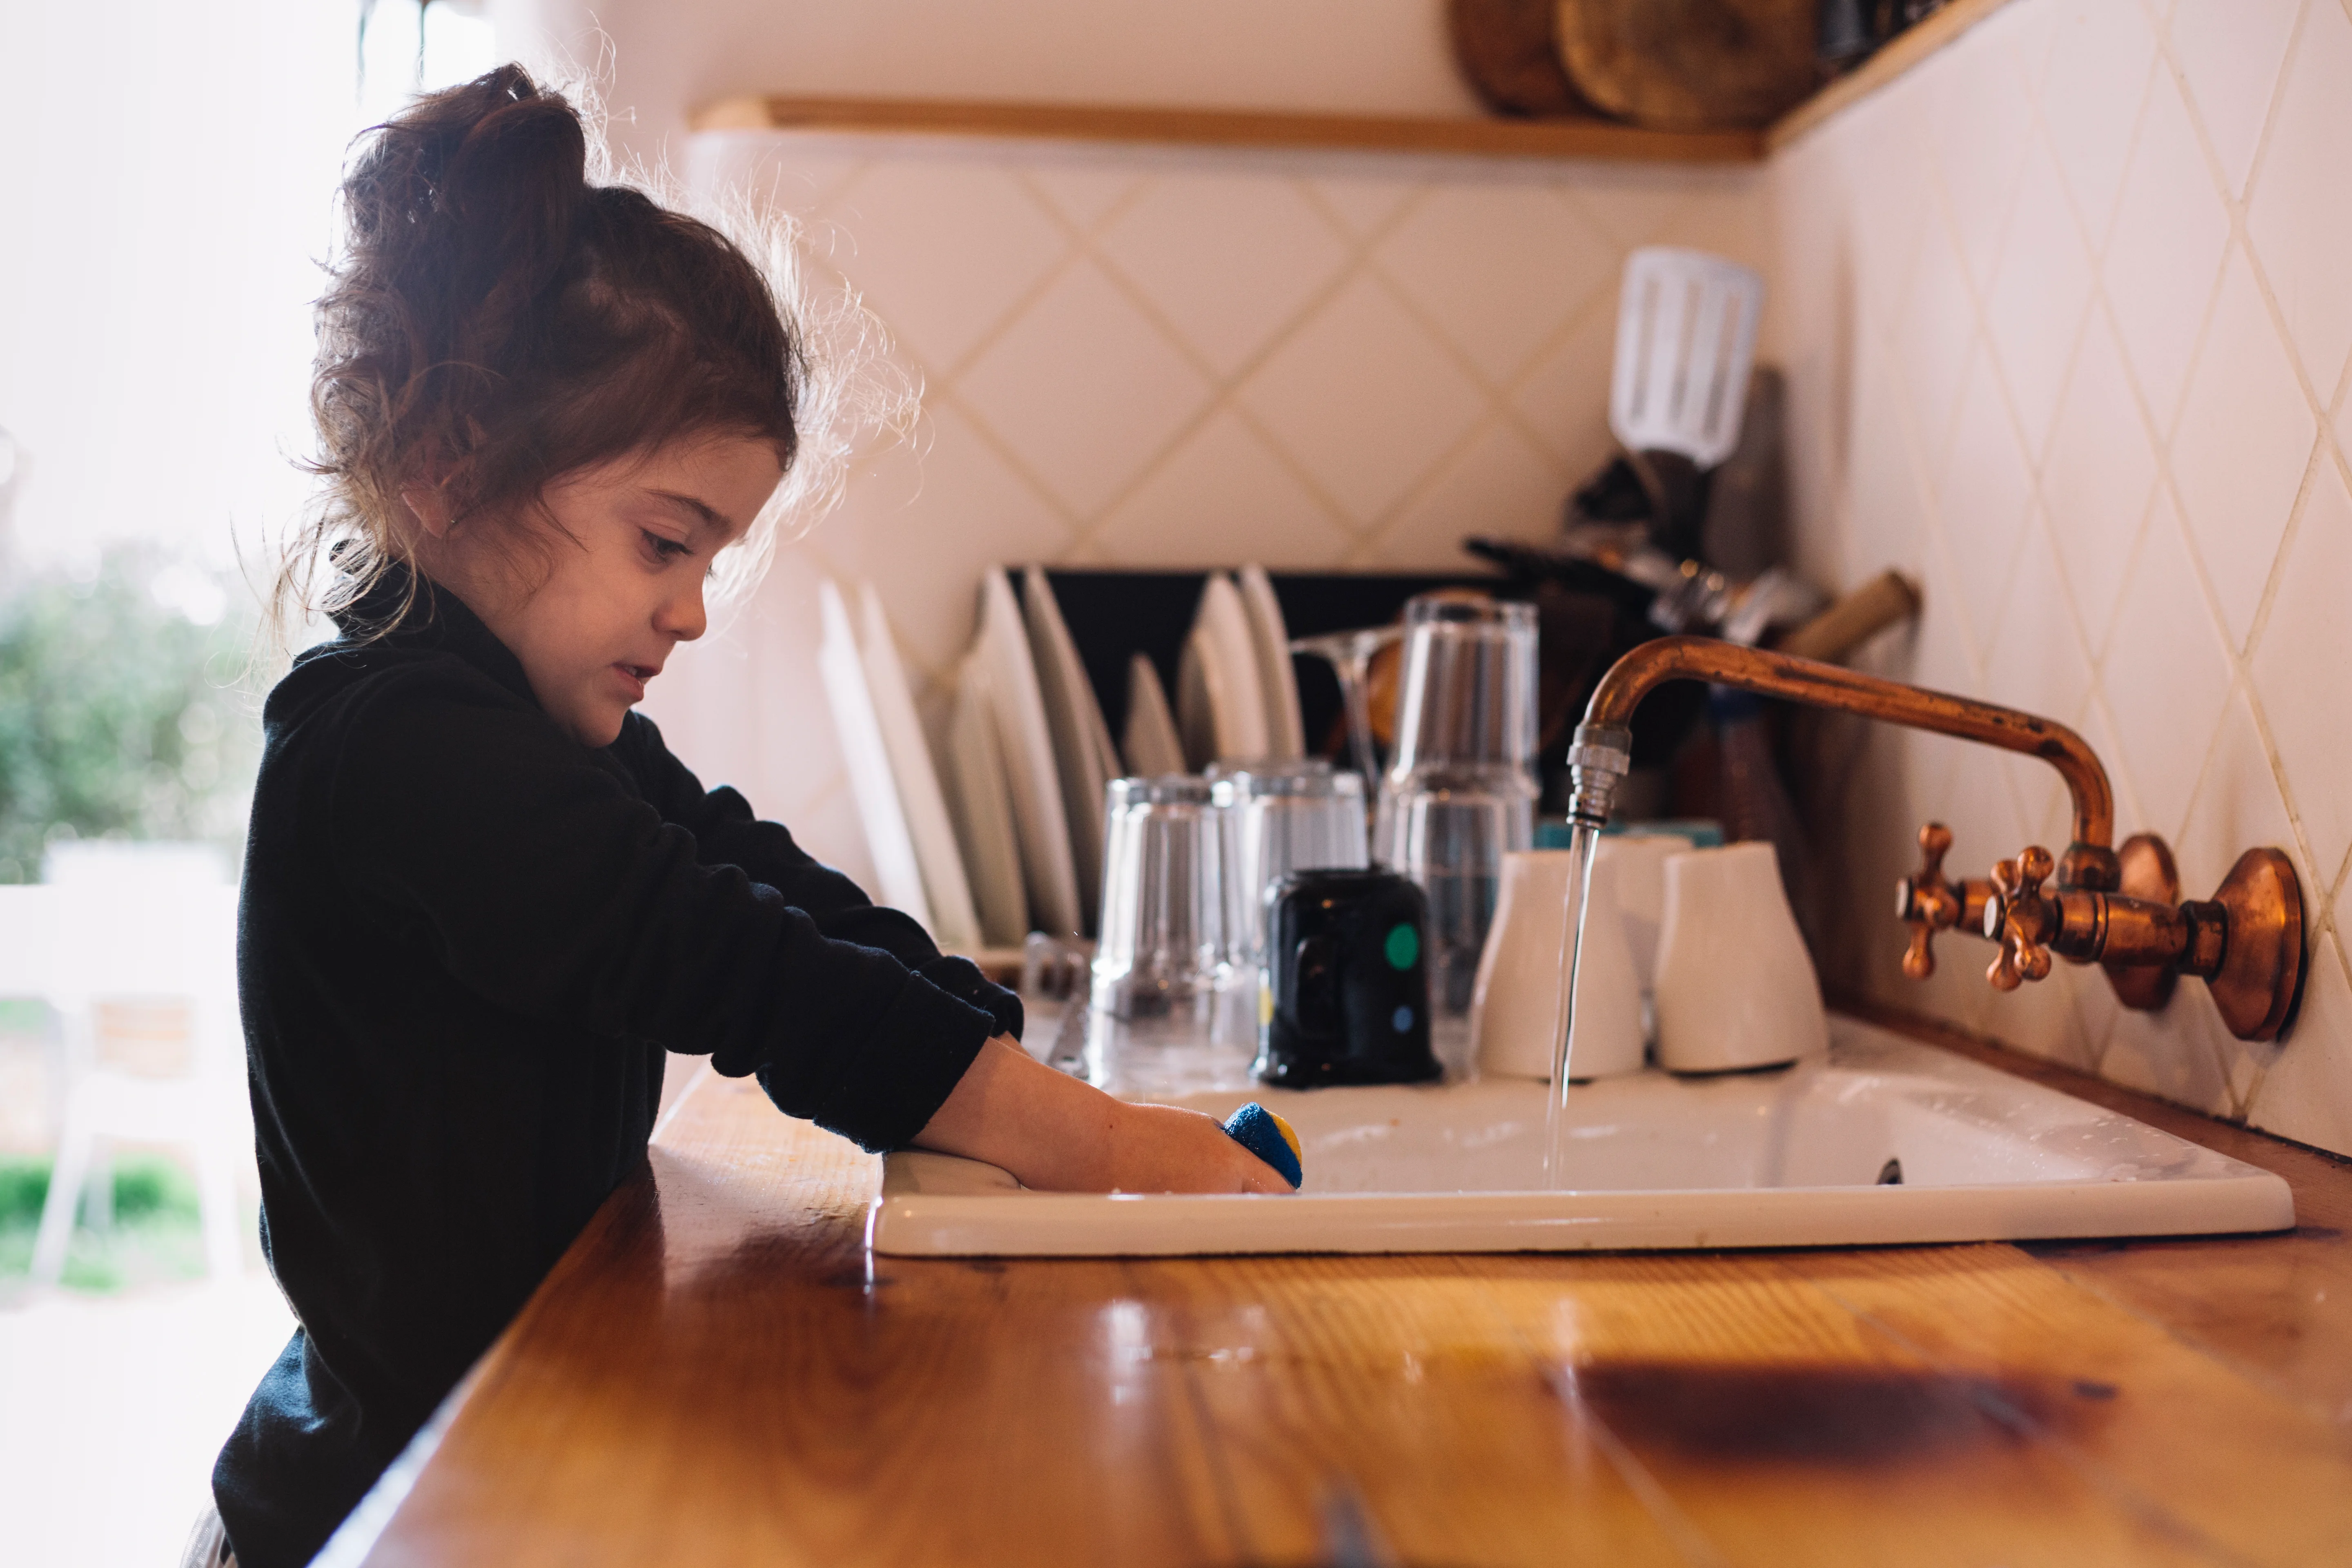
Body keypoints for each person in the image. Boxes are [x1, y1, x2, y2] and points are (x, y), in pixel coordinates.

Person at [194, 65, 1287, 1568]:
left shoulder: (503, 720)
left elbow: (749, 875)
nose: (693, 609)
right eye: (666, 540)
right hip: (389, 1497)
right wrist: (1101, 1144)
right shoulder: (396, 746)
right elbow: (731, 961)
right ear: (451, 472)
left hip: (512, 1430)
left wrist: (976, 1036)